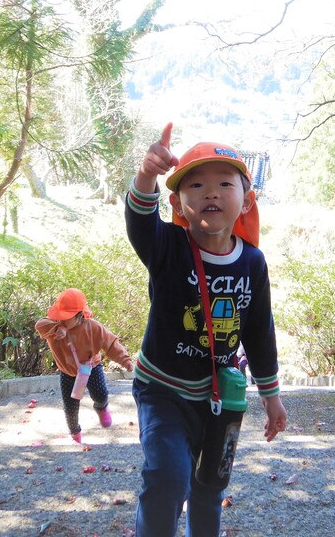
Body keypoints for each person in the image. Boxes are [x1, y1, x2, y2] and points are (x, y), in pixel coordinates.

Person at [125, 122, 287, 537]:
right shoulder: (168, 247)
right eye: (195, 185)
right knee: (169, 476)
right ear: (179, 203)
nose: (210, 192)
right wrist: (146, 175)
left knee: (209, 485)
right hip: (162, 391)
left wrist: (271, 397)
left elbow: (258, 331)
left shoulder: (252, 263)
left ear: (246, 201)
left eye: (224, 183)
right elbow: (141, 223)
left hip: (218, 400)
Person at [34, 288, 134, 444]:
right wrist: (58, 328)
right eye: (60, 316)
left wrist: (126, 361)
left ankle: (101, 407)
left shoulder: (93, 327)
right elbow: (40, 325)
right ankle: (75, 434)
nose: (62, 320)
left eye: (66, 317)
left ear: (79, 315)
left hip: (91, 367)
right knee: (70, 408)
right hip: (67, 372)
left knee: (101, 393)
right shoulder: (55, 326)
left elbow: (111, 344)